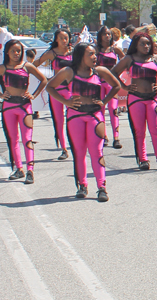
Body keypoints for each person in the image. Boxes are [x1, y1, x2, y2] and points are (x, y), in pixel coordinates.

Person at [47, 42, 121, 202]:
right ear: (80, 56)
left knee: (97, 152)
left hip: (95, 116)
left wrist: (105, 100)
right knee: (79, 153)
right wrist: (66, 102)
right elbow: (50, 87)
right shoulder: (68, 71)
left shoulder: (100, 71)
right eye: (90, 54)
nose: (95, 57)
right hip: (75, 117)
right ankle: (82, 185)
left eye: (95, 53)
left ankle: (102, 188)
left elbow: (116, 85)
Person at [0, 40, 47, 184]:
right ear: (7, 52)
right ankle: (19, 169)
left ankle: (30, 170)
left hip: (25, 107)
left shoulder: (27, 66)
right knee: (13, 139)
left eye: (18, 51)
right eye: (13, 51)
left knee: (27, 139)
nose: (16, 53)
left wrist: (34, 94)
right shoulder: (2, 68)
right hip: (8, 107)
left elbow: (43, 80)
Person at [112, 32, 157, 171]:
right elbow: (113, 72)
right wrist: (124, 86)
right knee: (139, 131)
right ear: (136, 45)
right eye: (142, 44)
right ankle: (143, 159)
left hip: (153, 99)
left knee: (156, 130)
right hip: (135, 98)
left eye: (148, 43)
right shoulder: (129, 59)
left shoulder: (155, 58)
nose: (146, 46)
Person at [33, 29, 73, 160]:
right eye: (61, 38)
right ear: (56, 39)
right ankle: (64, 148)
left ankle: (74, 144)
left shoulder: (73, 53)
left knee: (72, 119)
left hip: (70, 90)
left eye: (66, 38)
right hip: (56, 90)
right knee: (58, 120)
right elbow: (35, 64)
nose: (64, 40)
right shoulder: (52, 53)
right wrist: (44, 78)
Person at [95, 26, 125, 148]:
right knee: (100, 110)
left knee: (113, 109)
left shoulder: (115, 50)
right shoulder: (96, 50)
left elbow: (125, 61)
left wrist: (119, 73)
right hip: (99, 83)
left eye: (109, 34)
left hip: (112, 84)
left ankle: (116, 137)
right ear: (100, 36)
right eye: (105, 34)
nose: (107, 36)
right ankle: (104, 136)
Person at [25, 49, 39, 120]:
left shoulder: (27, 65)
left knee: (30, 96)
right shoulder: (36, 64)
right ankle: (36, 111)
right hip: (35, 82)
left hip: (30, 82)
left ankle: (33, 111)